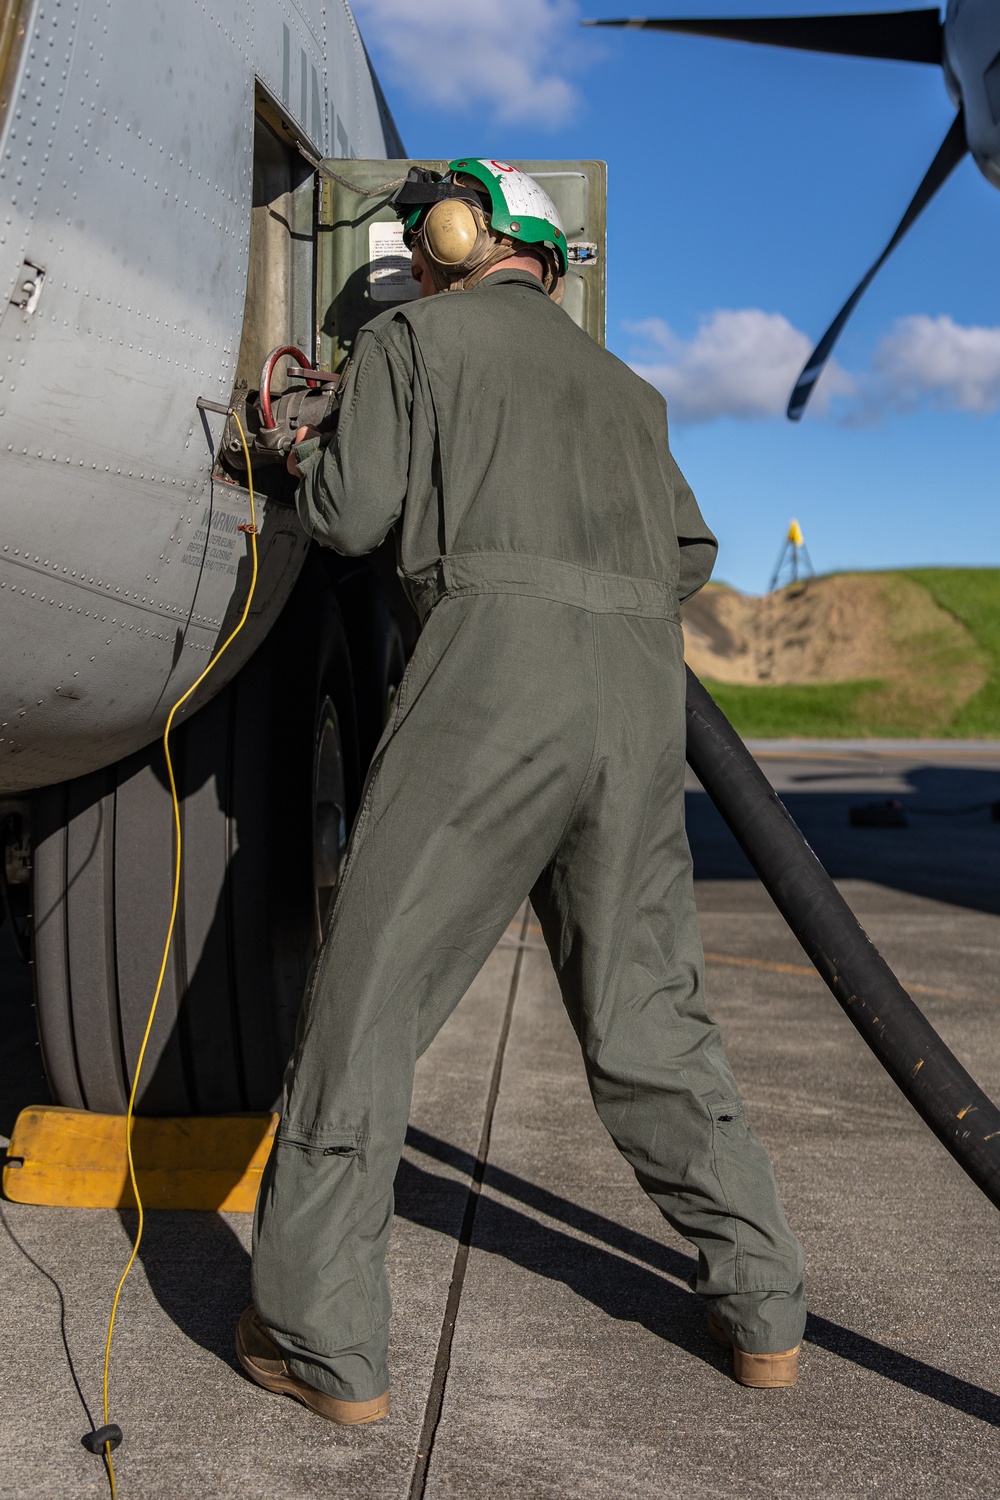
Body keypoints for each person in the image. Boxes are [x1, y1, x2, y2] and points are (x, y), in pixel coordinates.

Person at [237, 159, 806, 1424]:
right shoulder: (634, 390)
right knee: (648, 1019)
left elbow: (349, 516)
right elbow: (687, 550)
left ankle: (320, 1340)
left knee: (367, 1005)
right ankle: (762, 1301)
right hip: (635, 701)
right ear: (550, 259)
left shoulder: (413, 340)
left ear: (456, 235)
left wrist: (293, 451)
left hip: (491, 682)